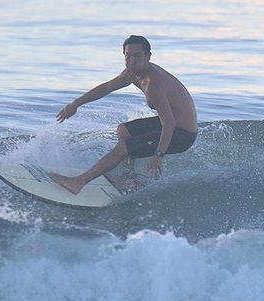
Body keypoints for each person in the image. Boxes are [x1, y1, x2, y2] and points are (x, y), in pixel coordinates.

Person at [50, 35, 197, 194]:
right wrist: (76, 104)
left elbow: (169, 123)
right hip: (174, 123)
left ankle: (78, 183)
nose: (132, 61)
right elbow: (106, 88)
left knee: (123, 148)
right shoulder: (132, 73)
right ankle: (128, 178)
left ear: (148, 56)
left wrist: (158, 155)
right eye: (128, 56)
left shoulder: (154, 84)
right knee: (123, 131)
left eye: (137, 56)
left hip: (183, 134)